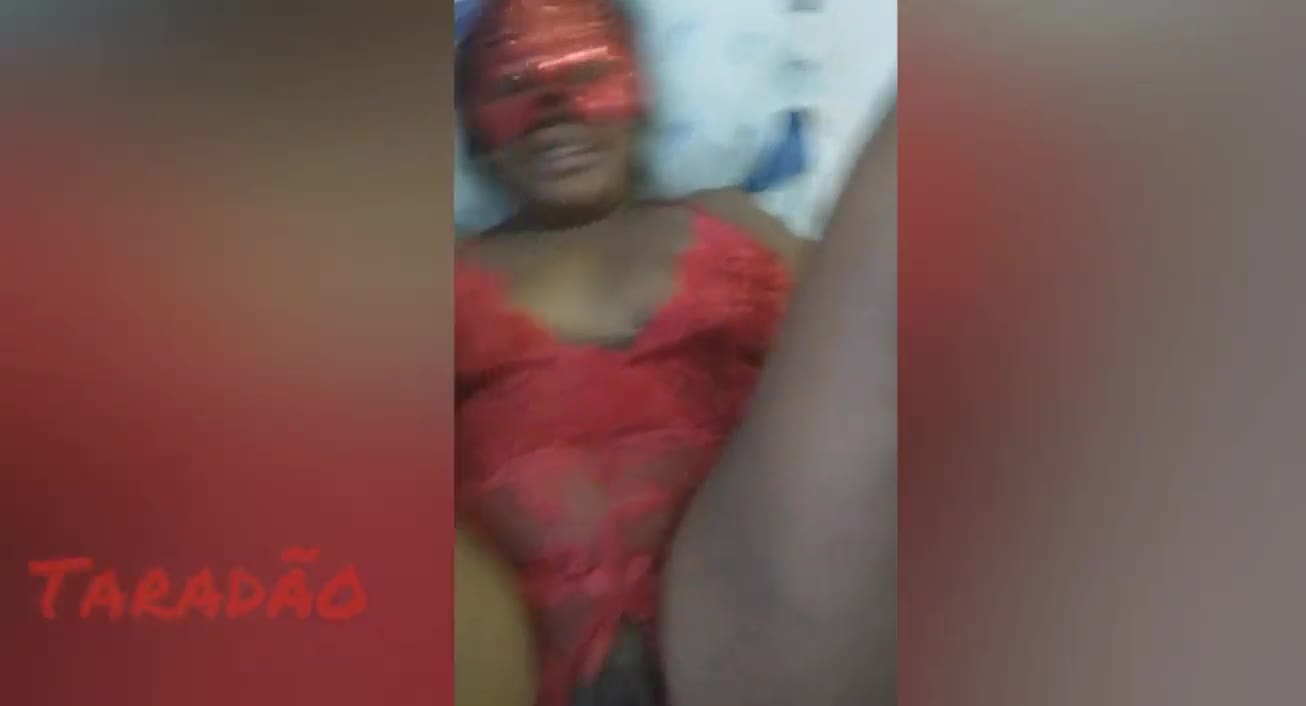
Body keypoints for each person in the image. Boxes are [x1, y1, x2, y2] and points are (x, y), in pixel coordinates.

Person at [453, 1, 808, 705]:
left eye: (587, 74)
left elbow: (870, 351)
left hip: (773, 630)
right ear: (475, 134)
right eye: (513, 86)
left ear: (640, 99)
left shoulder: (731, 223)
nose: (554, 111)